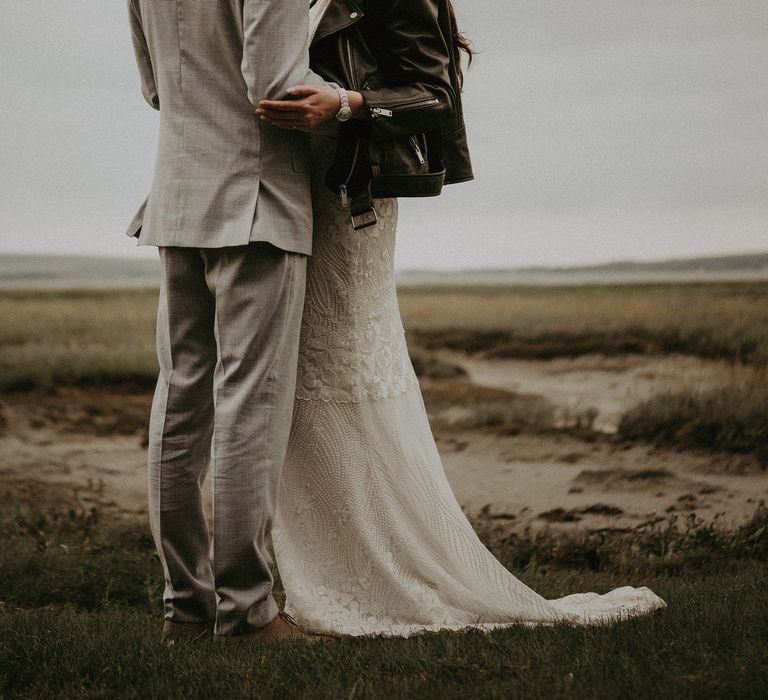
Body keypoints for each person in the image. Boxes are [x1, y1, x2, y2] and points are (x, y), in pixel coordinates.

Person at [258, 0, 667, 637]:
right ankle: (317, 567)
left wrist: (343, 105)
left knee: (338, 369)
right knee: (295, 379)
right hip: (282, 190)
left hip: (346, 197)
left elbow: (436, 95)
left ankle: (374, 574)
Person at [125, 0, 342, 644]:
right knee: (248, 401)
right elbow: (277, 88)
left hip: (177, 195)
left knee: (181, 397)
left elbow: (156, 88)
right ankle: (246, 610)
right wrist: (346, 97)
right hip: (255, 198)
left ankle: (185, 607)